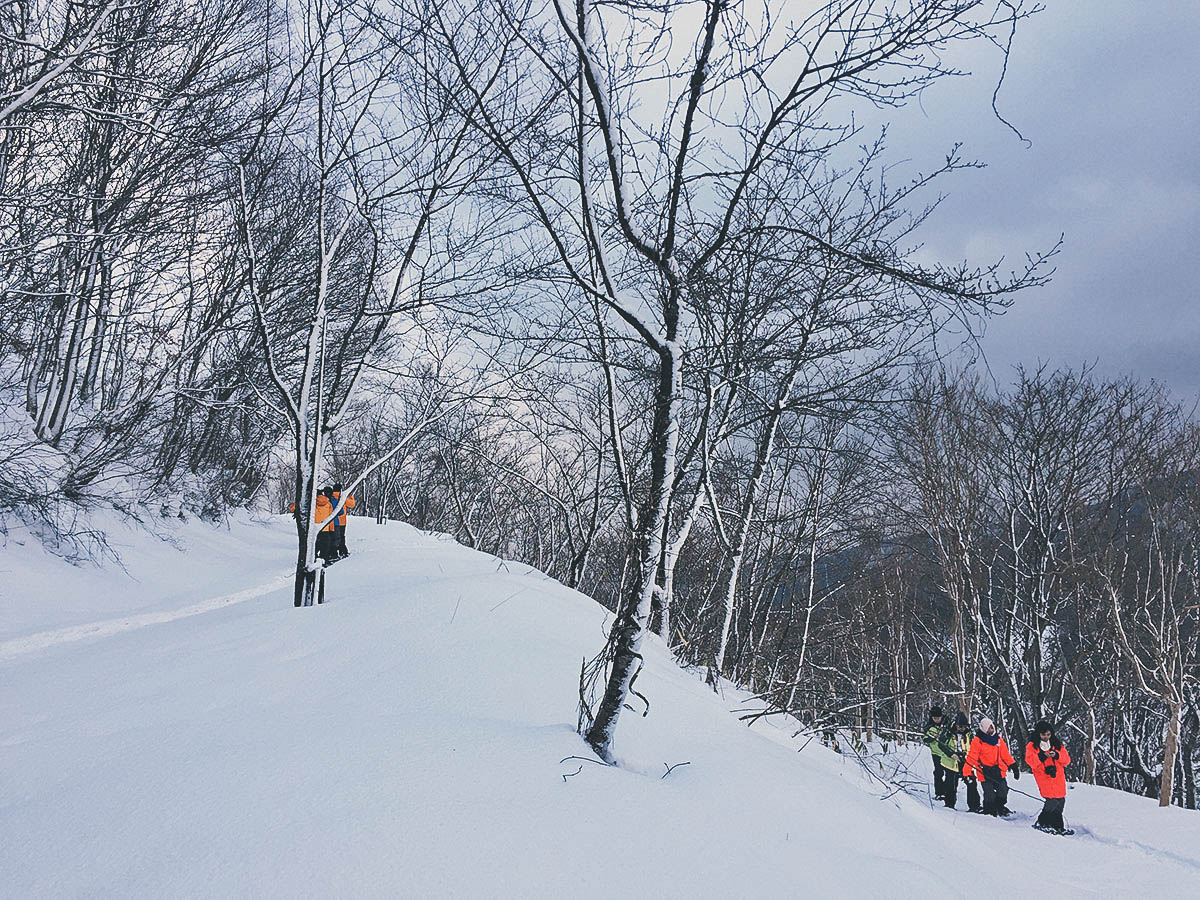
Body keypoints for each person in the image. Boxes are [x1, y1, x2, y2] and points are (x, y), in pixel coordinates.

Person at [1025, 719, 1073, 835]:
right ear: (1038, 734)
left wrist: (1056, 755)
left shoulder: (1057, 744)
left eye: (1048, 734)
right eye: (1043, 734)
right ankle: (1043, 822)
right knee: (1051, 801)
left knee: (1060, 800)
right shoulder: (1032, 745)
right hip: (1043, 776)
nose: (1046, 737)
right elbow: (1030, 761)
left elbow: (1066, 760)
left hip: (1058, 776)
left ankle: (1058, 825)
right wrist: (1042, 756)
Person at [963, 716, 1017, 816]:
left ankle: (1000, 806)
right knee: (989, 794)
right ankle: (989, 810)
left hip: (998, 770)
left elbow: (1005, 755)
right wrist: (967, 772)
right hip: (984, 772)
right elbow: (972, 757)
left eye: (992, 727)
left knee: (1003, 790)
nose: (990, 730)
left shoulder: (998, 740)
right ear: (983, 728)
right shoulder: (977, 741)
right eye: (988, 728)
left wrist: (1013, 765)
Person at [939, 711, 981, 812]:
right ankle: (949, 804)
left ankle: (974, 806)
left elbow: (974, 747)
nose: (961, 729)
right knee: (951, 783)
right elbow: (941, 744)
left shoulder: (970, 734)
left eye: (963, 727)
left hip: (965, 761)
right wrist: (952, 754)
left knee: (971, 782)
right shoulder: (948, 731)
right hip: (950, 761)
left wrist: (968, 757)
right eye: (959, 726)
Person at [923, 706, 949, 800]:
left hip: (947, 753)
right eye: (934, 718)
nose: (936, 720)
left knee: (949, 774)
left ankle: (947, 791)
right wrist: (933, 737)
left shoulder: (947, 724)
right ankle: (939, 792)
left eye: (938, 718)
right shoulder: (929, 726)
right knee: (938, 773)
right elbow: (925, 739)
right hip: (936, 753)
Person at [331, 482, 356, 559]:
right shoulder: (343, 497)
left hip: (332, 521)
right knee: (341, 536)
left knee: (333, 537)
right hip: (342, 521)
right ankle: (342, 551)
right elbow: (352, 505)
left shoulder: (330, 497)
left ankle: (333, 552)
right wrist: (351, 497)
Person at [314, 487, 337, 566]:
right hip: (325, 528)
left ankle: (313, 559)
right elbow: (330, 517)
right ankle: (324, 560)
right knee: (325, 547)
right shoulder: (328, 503)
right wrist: (332, 529)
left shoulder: (312, 503)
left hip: (314, 528)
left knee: (315, 546)